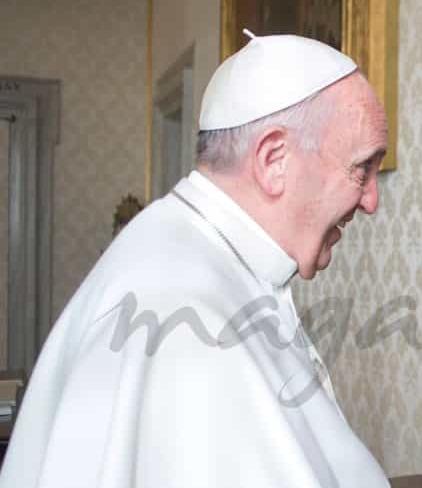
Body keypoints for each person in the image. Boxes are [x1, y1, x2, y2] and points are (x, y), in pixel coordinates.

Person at [0, 32, 390, 487]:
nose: (371, 201)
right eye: (362, 169)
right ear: (273, 159)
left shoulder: (195, 255)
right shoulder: (183, 313)